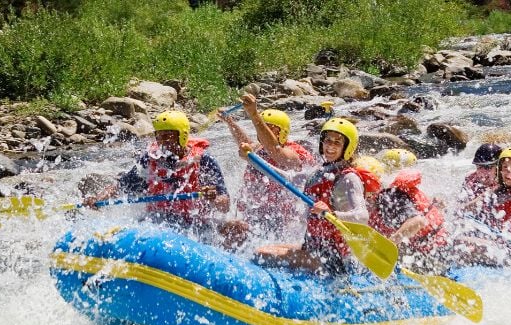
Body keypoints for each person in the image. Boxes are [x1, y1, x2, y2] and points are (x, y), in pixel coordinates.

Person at [83, 110, 247, 246]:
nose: (163, 141)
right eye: (160, 136)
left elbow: (224, 205)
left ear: (182, 135)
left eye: (169, 136)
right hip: (157, 221)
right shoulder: (150, 160)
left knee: (238, 228)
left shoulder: (203, 160)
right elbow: (121, 186)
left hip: (196, 223)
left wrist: (212, 198)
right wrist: (98, 198)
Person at [252, 118, 370, 275]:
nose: (330, 146)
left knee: (261, 254)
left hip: (334, 258)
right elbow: (285, 178)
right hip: (314, 247)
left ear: (347, 148)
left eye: (337, 143)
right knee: (264, 249)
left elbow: (362, 216)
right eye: (328, 140)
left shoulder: (348, 178)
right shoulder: (319, 172)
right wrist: (251, 158)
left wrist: (331, 214)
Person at [222, 93, 315, 234]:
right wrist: (230, 122)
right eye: (262, 128)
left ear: (282, 132)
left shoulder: (295, 153)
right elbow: (245, 141)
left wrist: (254, 115)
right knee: (227, 228)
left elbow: (276, 152)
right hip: (256, 214)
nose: (262, 132)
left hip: (282, 220)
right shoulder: (259, 148)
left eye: (269, 128)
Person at [362, 150, 448, 272]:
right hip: (436, 244)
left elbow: (418, 221)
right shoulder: (391, 193)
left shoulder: (387, 198)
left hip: (434, 253)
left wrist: (387, 246)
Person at [456, 143, 502, 219]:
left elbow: (484, 197)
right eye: (480, 167)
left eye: (488, 168)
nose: (483, 173)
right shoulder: (470, 178)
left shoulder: (502, 183)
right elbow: (459, 203)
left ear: (498, 168)